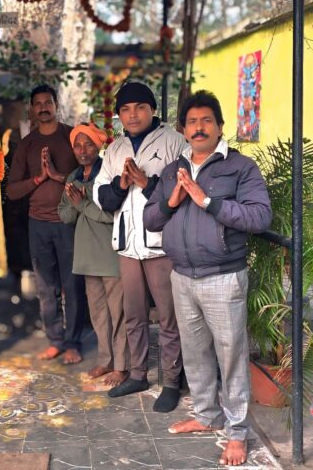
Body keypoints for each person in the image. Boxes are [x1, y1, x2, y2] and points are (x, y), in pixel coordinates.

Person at [144, 90, 272, 466]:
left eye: (206, 121)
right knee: (196, 352)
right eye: (192, 122)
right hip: (182, 275)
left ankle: (237, 432)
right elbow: (150, 219)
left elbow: (259, 217)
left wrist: (207, 201)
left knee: (230, 356)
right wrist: (172, 201)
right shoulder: (173, 170)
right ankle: (206, 415)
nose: (199, 128)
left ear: (219, 126)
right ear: (183, 130)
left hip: (223, 276)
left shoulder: (240, 167)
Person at [93, 80, 187, 412]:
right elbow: (102, 196)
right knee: (133, 314)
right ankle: (137, 374)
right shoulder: (114, 150)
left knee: (168, 317)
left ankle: (172, 382)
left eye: (140, 108)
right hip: (128, 246)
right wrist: (121, 184)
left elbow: (181, 190)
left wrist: (147, 183)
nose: (133, 115)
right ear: (119, 115)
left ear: (153, 110)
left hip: (162, 247)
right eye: (126, 109)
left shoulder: (174, 142)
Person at [6, 84, 87, 365]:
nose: (43, 107)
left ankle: (73, 342)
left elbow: (89, 177)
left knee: (72, 286)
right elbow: (12, 191)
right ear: (32, 109)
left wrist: (58, 175)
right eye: (38, 103)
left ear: (56, 105)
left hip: (69, 221)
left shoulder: (71, 137)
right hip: (38, 224)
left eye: (48, 102)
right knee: (45, 287)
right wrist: (39, 179)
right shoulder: (27, 144)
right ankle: (55, 340)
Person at [58, 123, 127, 386]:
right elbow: (65, 216)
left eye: (88, 144)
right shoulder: (73, 177)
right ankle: (106, 360)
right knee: (98, 314)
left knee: (119, 314)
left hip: (110, 254)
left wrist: (82, 203)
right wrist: (75, 204)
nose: (83, 150)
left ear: (98, 146)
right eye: (77, 145)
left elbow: (112, 216)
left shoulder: (107, 174)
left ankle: (121, 366)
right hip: (86, 256)